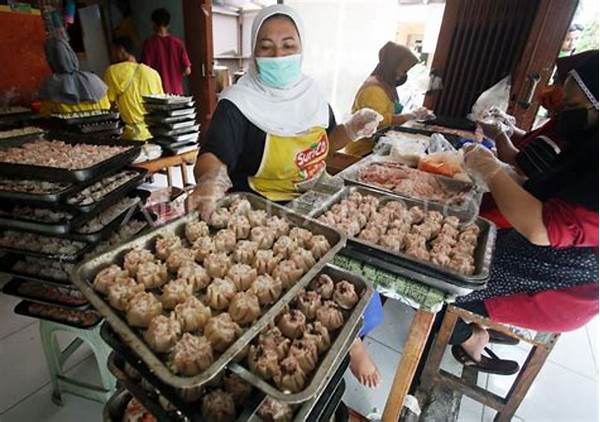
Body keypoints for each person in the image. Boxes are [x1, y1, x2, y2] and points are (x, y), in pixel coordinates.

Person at [188, 4, 385, 388]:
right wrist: (210, 179)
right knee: (297, 281)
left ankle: (350, 334)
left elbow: (321, 147)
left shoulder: (312, 94)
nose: (278, 55)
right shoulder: (237, 104)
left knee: (355, 274)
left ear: (301, 47)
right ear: (254, 51)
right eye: (266, 46)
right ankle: (343, 341)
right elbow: (212, 155)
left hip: (313, 202)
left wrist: (350, 130)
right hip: (262, 215)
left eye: (288, 45)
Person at [448, 51, 599, 374]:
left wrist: (490, 169)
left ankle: (472, 337)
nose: (562, 110)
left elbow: (541, 228)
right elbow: (541, 186)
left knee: (442, 287)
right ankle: (479, 323)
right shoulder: (589, 143)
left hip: (554, 288)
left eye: (572, 105)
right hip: (530, 251)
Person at [345, 41, 432, 157]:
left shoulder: (386, 86)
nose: (404, 75)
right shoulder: (373, 90)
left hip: (377, 144)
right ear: (392, 66)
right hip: (363, 149)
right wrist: (411, 115)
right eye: (404, 71)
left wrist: (412, 115)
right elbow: (378, 121)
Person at [104, 36, 163, 141]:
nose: (112, 55)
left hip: (133, 135)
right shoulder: (153, 73)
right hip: (156, 132)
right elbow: (161, 105)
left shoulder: (112, 72)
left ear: (121, 50)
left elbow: (109, 105)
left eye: (113, 51)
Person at [39, 36, 110, 116]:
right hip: (103, 123)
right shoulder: (95, 80)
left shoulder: (50, 86)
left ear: (50, 59)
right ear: (72, 55)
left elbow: (46, 115)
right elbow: (107, 108)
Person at [142, 8, 191, 95]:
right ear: (168, 24)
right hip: (176, 92)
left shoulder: (149, 43)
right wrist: (176, 76)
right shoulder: (178, 43)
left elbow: (145, 69)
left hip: (157, 91)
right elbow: (187, 71)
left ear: (154, 23)